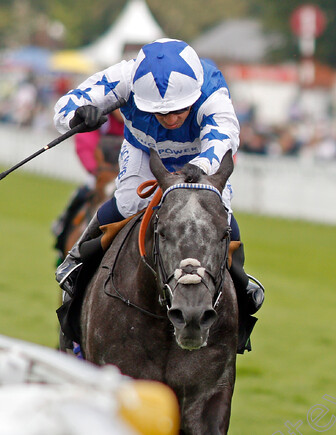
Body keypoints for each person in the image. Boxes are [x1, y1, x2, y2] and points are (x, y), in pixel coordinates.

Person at [53, 38, 264, 353]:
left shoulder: (212, 87)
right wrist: (78, 115)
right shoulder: (126, 76)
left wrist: (197, 168)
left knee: (216, 214)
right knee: (126, 203)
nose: (170, 118)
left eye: (178, 110)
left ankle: (240, 285)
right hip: (144, 153)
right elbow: (70, 102)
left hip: (200, 159)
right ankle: (79, 261)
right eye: (159, 111)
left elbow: (223, 136)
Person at [51, 111, 124, 263]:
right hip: (100, 174)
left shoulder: (137, 117)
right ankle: (62, 236)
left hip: (127, 177)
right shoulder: (101, 117)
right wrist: (95, 170)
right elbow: (85, 143)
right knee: (80, 196)